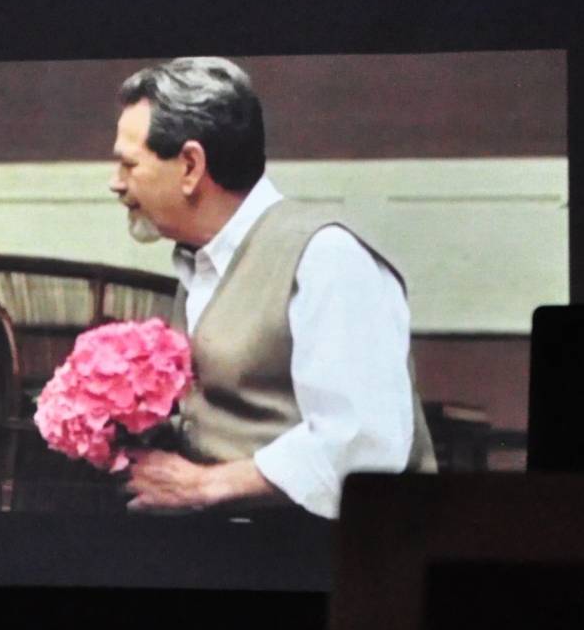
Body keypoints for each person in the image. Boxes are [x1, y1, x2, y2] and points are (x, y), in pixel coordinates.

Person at [109, 57, 436, 519]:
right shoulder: (200, 259)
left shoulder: (327, 256)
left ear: (190, 166)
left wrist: (203, 485)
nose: (115, 184)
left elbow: (364, 446)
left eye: (128, 164)